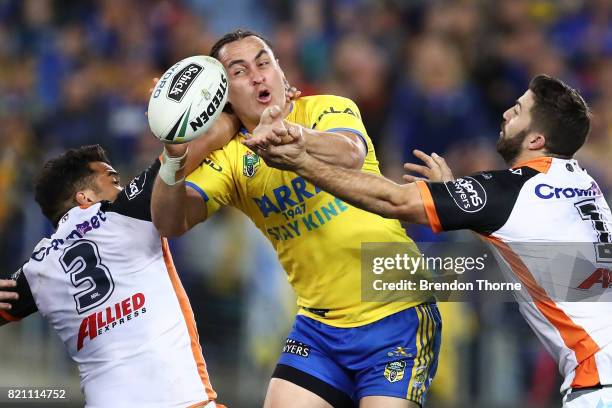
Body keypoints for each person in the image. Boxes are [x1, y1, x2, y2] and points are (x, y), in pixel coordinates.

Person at [251, 74, 612, 408]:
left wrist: (301, 162)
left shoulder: (513, 192)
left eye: (517, 111)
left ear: (536, 140)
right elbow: (532, 247)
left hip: (599, 383)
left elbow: (394, 201)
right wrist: (457, 201)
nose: (505, 113)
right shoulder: (586, 188)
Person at [152, 29, 441, 408]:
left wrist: (294, 137)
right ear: (222, 98)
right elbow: (170, 222)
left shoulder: (326, 108)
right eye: (239, 71)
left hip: (395, 312)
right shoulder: (232, 159)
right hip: (319, 327)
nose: (257, 75)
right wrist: (173, 161)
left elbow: (349, 152)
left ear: (281, 74)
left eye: (264, 62)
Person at [0, 130, 235, 407]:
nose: (122, 188)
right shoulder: (125, 211)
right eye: (113, 180)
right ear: (84, 197)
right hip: (181, 400)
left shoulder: (36, 270)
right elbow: (197, 143)